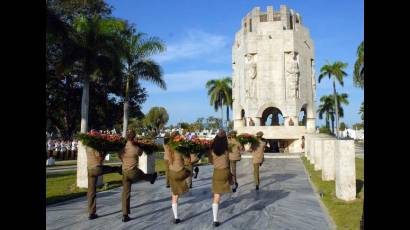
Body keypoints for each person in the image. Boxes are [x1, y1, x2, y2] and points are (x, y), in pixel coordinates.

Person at [119, 130, 158, 222]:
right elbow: (141, 153)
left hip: (124, 172)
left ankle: (125, 214)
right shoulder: (136, 148)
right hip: (133, 172)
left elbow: (119, 155)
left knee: (126, 193)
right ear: (134, 137)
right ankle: (150, 178)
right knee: (141, 174)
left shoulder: (122, 148)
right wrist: (139, 144)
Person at [165, 132, 196, 224]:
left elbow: (167, 159)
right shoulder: (180, 148)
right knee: (189, 171)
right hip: (181, 172)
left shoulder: (168, 147)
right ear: (177, 138)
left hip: (172, 173)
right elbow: (188, 161)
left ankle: (176, 217)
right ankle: (193, 174)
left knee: (174, 196)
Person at [86, 143, 122, 220]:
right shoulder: (95, 147)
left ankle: (91, 213)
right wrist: (105, 152)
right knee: (111, 168)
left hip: (89, 169)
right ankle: (120, 170)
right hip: (97, 168)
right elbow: (100, 160)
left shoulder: (88, 146)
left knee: (91, 191)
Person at [208, 129, 233, 227]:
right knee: (219, 194)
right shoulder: (226, 151)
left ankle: (215, 219)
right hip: (226, 172)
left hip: (217, 173)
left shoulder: (212, 151)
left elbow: (211, 162)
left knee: (216, 196)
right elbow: (228, 162)